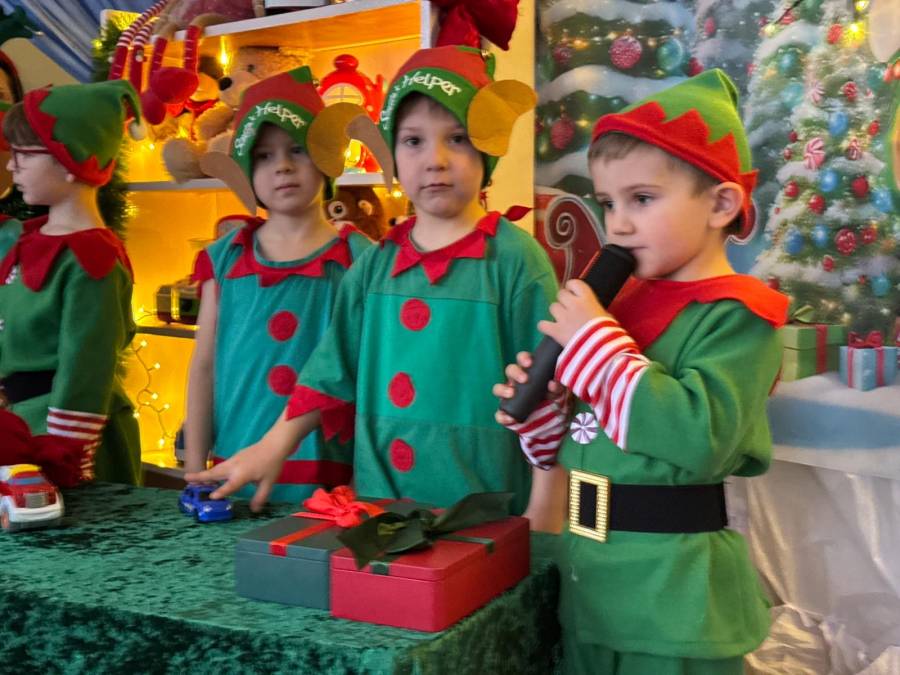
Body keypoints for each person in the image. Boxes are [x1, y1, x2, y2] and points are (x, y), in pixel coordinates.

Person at [495, 70, 790, 674]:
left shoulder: (740, 315)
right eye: (608, 203)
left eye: (642, 199)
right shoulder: (617, 312)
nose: (619, 225)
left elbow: (700, 438)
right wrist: (548, 416)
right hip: (592, 580)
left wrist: (596, 349)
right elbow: (595, 435)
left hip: (674, 601)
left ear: (721, 204)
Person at [187, 45, 559, 517]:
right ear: (391, 154)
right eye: (413, 141)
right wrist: (273, 446)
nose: (436, 159)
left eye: (458, 138)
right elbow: (330, 371)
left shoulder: (516, 261)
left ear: (488, 144)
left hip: (486, 515)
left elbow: (550, 398)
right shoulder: (374, 266)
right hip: (381, 514)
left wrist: (543, 515)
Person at [183, 66, 382, 503]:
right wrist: (195, 471)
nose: (283, 167)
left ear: (325, 155)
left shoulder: (360, 258)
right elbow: (204, 366)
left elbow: (370, 375)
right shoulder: (226, 258)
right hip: (232, 472)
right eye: (264, 156)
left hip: (330, 484)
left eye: (297, 149)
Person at [0, 81, 144, 484]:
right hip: (20, 429)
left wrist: (67, 455)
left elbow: (86, 370)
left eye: (25, 155)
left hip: (62, 443)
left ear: (71, 160)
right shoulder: (26, 239)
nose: (11, 167)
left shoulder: (92, 260)